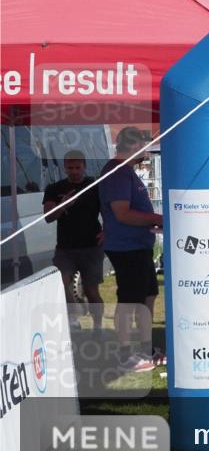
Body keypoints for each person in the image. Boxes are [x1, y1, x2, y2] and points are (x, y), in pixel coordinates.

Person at [98, 127, 163, 373]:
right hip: (126, 248)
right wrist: (157, 218)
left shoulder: (126, 172)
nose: (147, 150)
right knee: (129, 301)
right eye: (145, 145)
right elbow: (122, 213)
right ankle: (125, 355)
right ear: (134, 146)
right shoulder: (117, 172)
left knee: (148, 296)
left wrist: (152, 221)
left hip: (139, 246)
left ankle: (145, 349)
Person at [43, 151, 104, 333]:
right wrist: (64, 205)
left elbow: (109, 210)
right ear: (64, 168)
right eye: (70, 167)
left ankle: (98, 325)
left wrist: (107, 231)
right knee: (63, 282)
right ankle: (73, 318)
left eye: (78, 167)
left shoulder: (94, 186)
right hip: (65, 247)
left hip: (91, 246)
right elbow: (48, 217)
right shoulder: (54, 188)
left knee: (91, 290)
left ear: (84, 166)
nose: (74, 171)